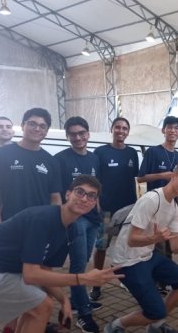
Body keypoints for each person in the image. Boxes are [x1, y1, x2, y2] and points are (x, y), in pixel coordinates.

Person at [0, 175, 122, 333]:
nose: (84, 198)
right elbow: (31, 274)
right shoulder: (44, 218)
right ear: (68, 194)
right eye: (80, 192)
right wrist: (83, 278)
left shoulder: (71, 229)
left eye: (91, 196)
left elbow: (44, 269)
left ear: (94, 204)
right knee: (42, 306)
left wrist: (64, 300)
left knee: (34, 305)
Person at [105, 161, 178, 333]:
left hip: (147, 256)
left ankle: (156, 325)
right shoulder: (151, 200)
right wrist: (153, 238)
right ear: (173, 176)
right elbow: (131, 240)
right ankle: (115, 326)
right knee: (155, 311)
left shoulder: (174, 207)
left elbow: (175, 247)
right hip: (127, 262)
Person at [54, 116, 102, 333]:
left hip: (92, 219)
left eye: (81, 133)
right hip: (76, 220)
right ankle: (84, 314)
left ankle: (75, 301)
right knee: (78, 266)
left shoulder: (93, 159)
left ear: (88, 134)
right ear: (68, 137)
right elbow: (56, 194)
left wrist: (99, 213)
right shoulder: (60, 159)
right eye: (73, 134)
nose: (78, 137)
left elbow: (95, 189)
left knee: (82, 263)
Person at [0, 107, 62, 225]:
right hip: (9, 225)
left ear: (46, 131)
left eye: (42, 126)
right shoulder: (0, 154)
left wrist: (54, 225)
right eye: (32, 124)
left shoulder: (51, 161)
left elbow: (55, 198)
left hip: (40, 225)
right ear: (22, 126)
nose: (37, 129)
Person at [90, 117, 139, 301]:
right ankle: (96, 284)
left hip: (128, 210)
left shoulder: (133, 153)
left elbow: (137, 180)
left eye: (125, 128)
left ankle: (125, 280)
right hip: (107, 211)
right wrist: (97, 204)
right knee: (102, 246)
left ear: (128, 132)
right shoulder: (101, 152)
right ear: (112, 129)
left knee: (126, 246)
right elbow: (93, 181)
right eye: (118, 127)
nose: (121, 131)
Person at [137, 116, 178, 285]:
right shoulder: (153, 152)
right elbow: (141, 178)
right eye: (169, 127)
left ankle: (164, 281)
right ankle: (154, 281)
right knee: (156, 245)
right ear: (163, 130)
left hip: (171, 208)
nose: (173, 130)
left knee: (170, 245)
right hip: (154, 207)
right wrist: (162, 175)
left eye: (176, 128)